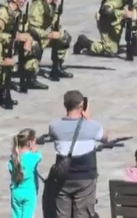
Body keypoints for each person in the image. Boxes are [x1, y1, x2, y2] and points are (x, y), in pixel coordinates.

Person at [43, 90, 108, 218]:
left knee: (62, 214)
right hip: (85, 177)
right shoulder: (92, 126)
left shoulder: (54, 126)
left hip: (63, 177)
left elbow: (53, 136)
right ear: (82, 106)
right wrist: (89, 118)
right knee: (83, 214)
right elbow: (105, 138)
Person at [27, 0, 74, 83]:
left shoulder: (52, 5)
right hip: (34, 37)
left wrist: (59, 30)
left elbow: (53, 22)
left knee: (64, 37)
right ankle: (30, 75)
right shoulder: (38, 6)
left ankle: (57, 67)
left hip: (44, 35)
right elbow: (33, 28)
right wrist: (49, 35)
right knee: (36, 47)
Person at [0, 0, 37, 89]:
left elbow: (25, 30)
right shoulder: (3, 12)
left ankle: (28, 77)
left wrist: (29, 39)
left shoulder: (19, 13)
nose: (24, 0)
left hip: (10, 42)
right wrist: (16, 37)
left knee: (35, 47)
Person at [9, 128, 41, 218]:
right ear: (30, 143)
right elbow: (39, 156)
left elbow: (10, 168)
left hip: (16, 191)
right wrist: (34, 151)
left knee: (16, 215)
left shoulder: (14, 158)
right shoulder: (33, 157)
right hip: (29, 193)